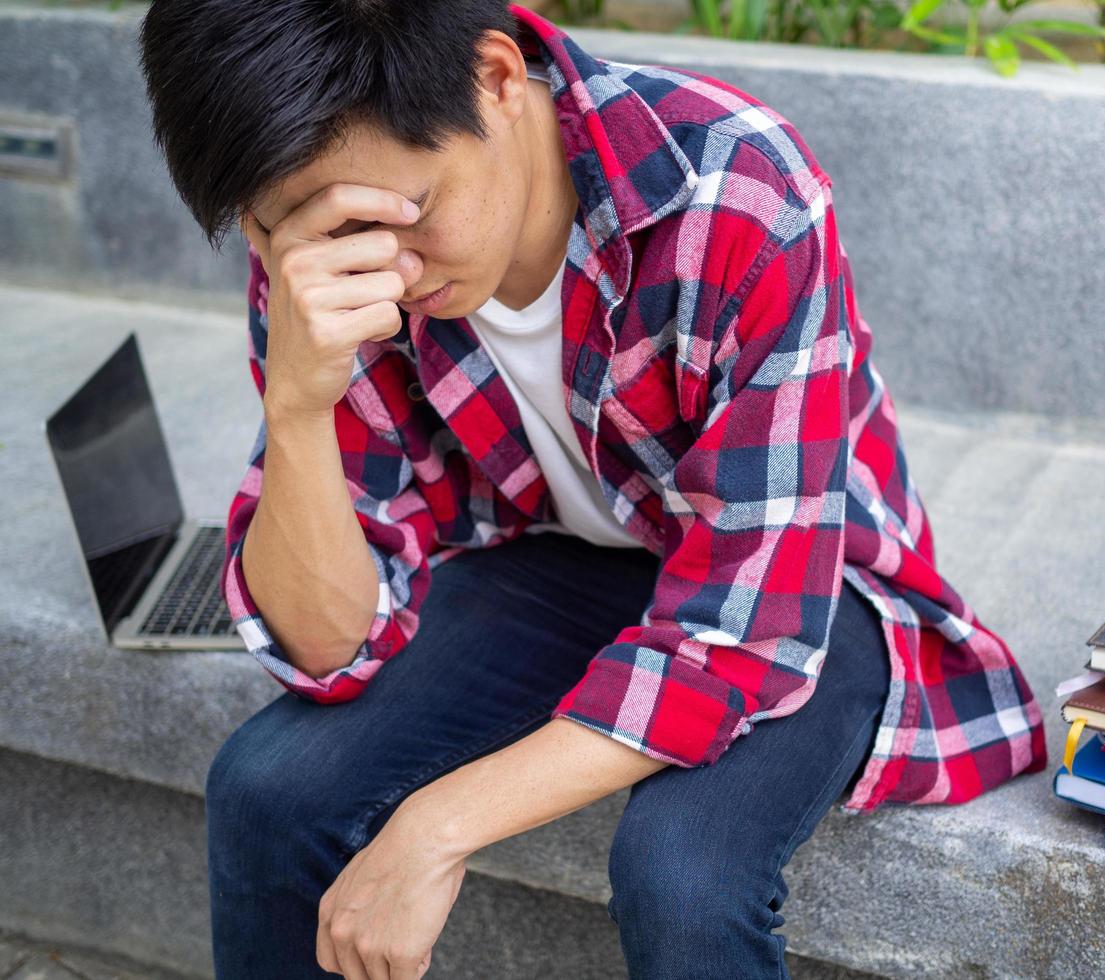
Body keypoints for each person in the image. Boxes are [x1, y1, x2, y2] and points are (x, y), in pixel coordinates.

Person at [137, 1, 1048, 977]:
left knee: (682, 871)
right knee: (266, 789)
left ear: (495, 79)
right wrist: (297, 412)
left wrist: (436, 824)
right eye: (302, 235)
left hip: (803, 580)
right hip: (564, 558)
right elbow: (326, 642)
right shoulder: (326, 256)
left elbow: (740, 632)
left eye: (407, 220)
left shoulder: (733, 186)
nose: (390, 281)